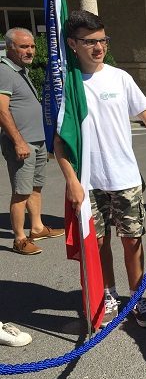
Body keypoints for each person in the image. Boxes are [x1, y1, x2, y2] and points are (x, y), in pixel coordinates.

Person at [54, 10, 146, 328]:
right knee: (101, 241)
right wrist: (72, 182)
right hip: (90, 181)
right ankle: (109, 294)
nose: (98, 47)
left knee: (132, 240)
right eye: (90, 42)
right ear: (72, 44)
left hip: (125, 178)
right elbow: (60, 142)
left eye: (102, 40)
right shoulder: (68, 86)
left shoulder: (119, 78)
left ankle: (136, 297)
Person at [0, 27, 64, 255]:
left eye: (32, 46)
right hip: (22, 143)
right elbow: (2, 111)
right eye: (23, 46)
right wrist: (18, 141)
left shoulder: (20, 70)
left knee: (36, 187)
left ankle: (36, 227)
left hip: (36, 141)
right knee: (21, 192)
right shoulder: (4, 72)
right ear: (10, 48)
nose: (30, 51)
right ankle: (19, 239)